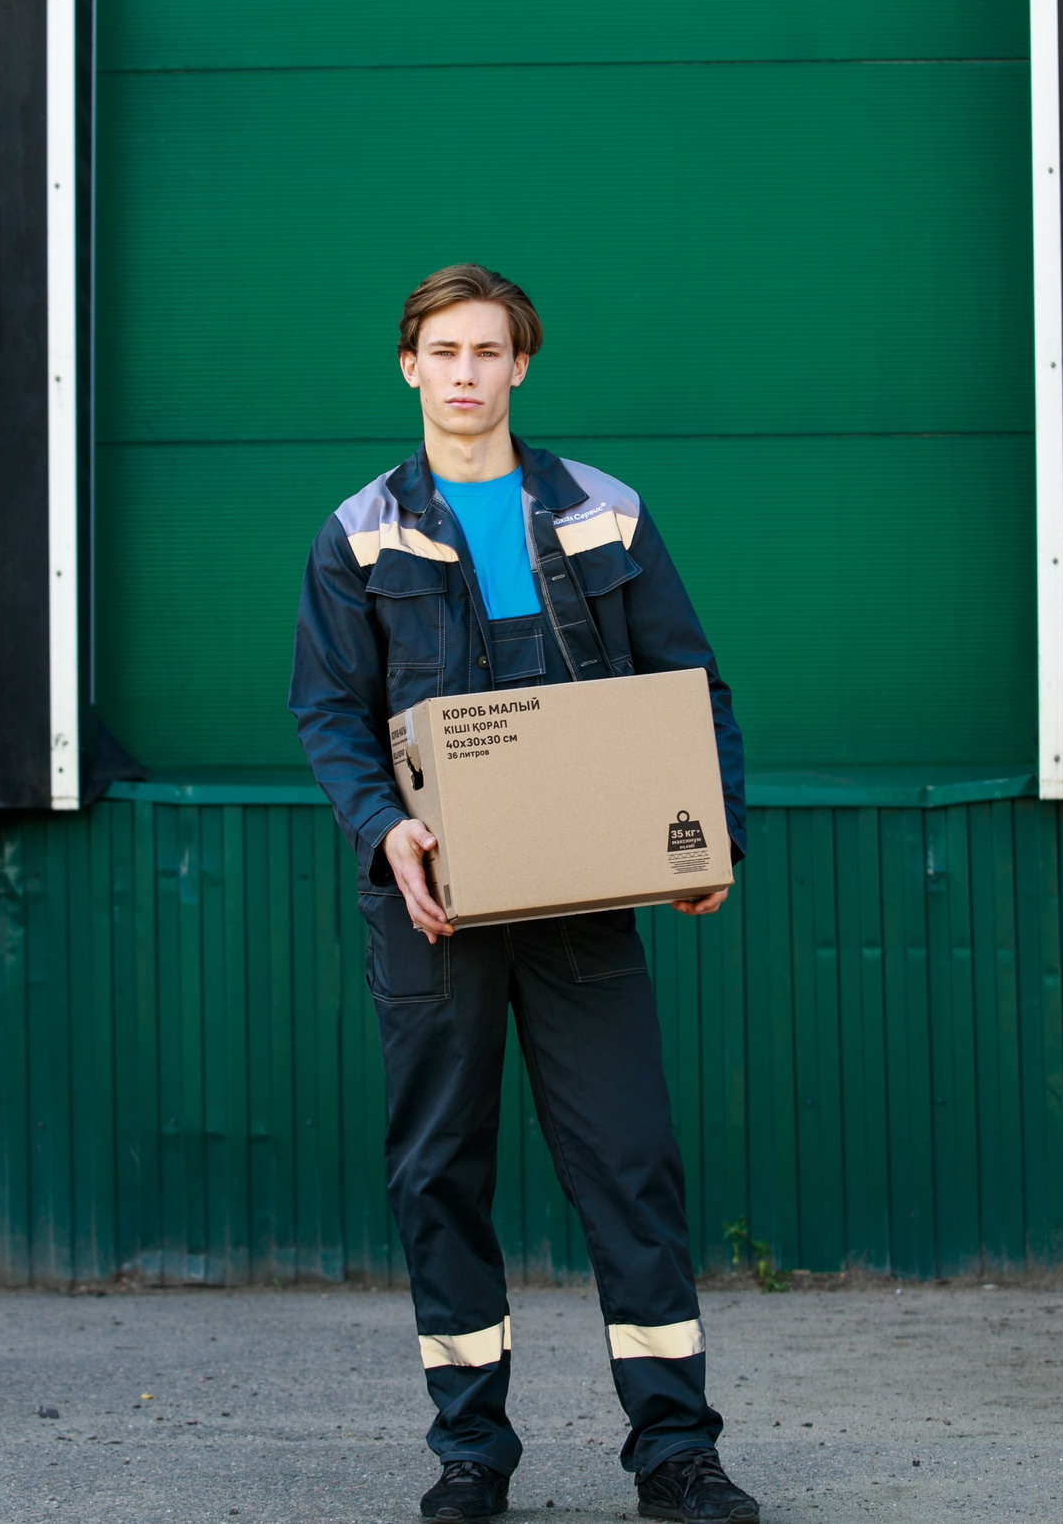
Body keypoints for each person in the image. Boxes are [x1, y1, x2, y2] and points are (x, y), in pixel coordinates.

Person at [290, 264, 760, 1523]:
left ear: (520, 366)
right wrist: (388, 833)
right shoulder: (360, 532)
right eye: (441, 351)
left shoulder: (604, 513)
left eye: (486, 351)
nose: (463, 372)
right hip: (432, 902)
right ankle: (470, 1455)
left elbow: (687, 683)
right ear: (409, 366)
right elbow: (328, 714)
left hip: (579, 899)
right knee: (439, 1168)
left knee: (629, 1163)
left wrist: (709, 841)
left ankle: (675, 1454)